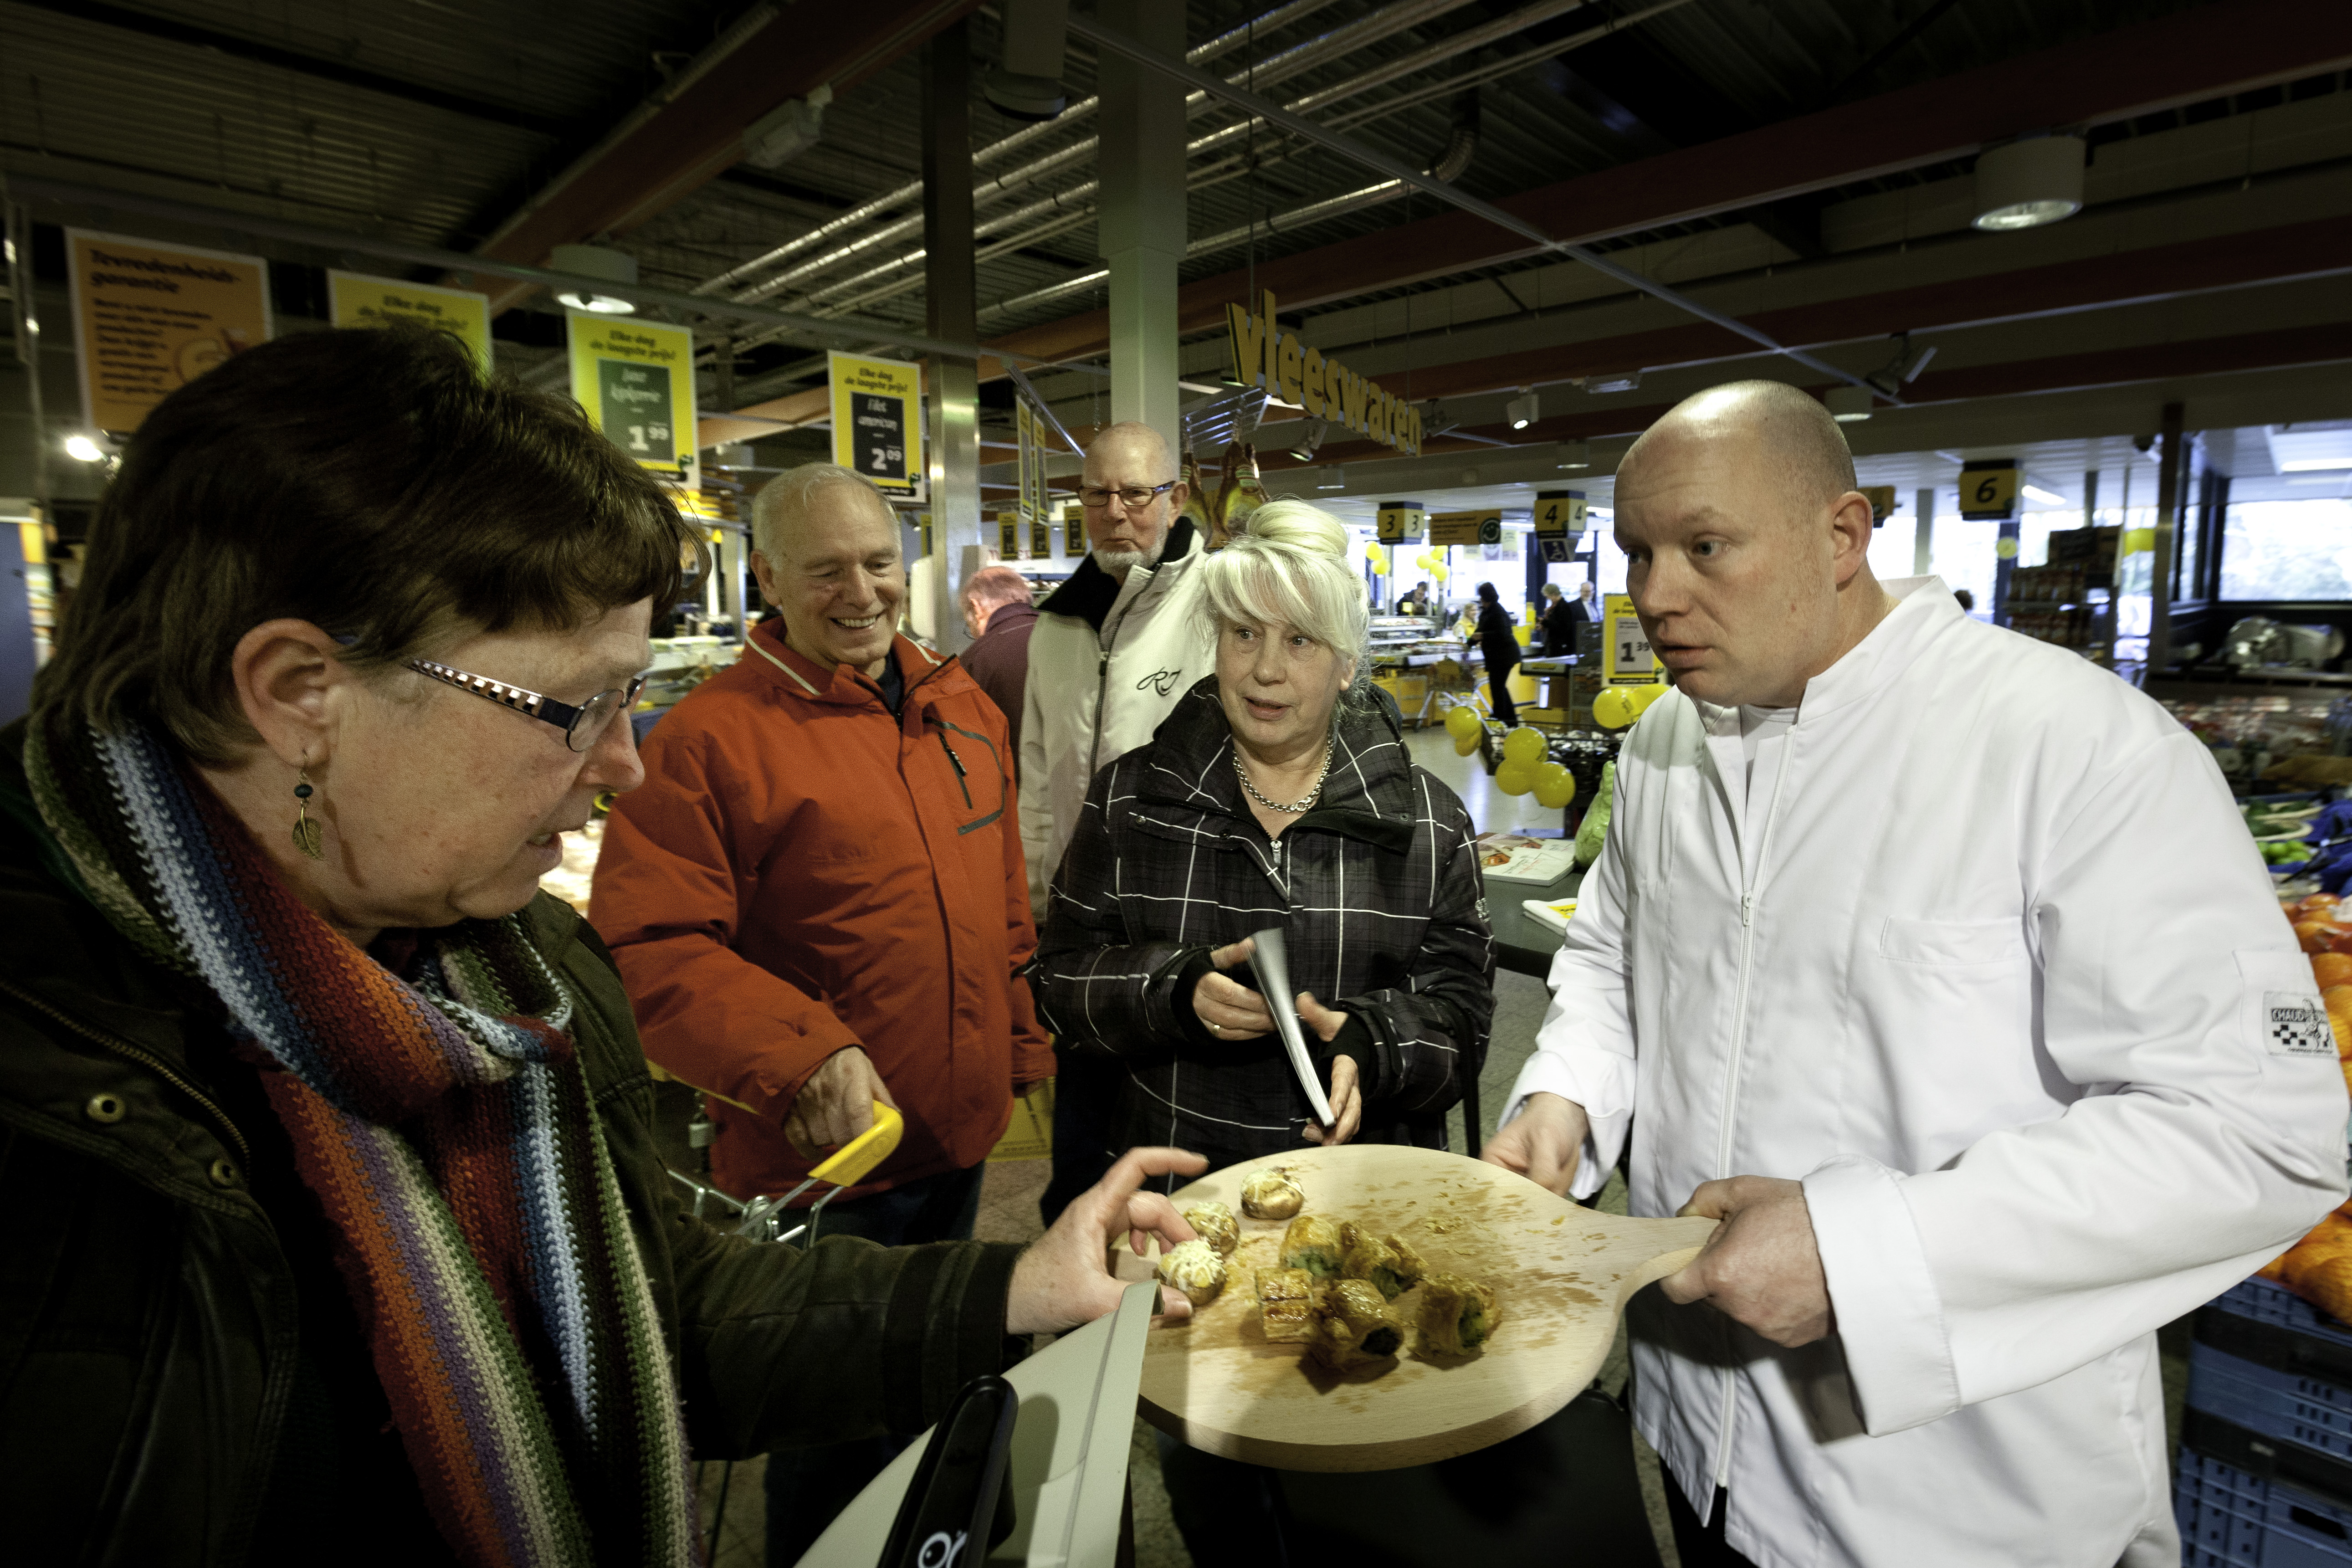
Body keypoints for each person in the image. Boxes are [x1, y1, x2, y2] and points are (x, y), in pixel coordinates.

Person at [0, 325, 1205, 1565]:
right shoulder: (59, 1116)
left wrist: (1017, 1282)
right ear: (302, 691)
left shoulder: (499, 962)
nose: (622, 762)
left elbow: (657, 1305)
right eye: (581, 704)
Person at [1482, 379, 2346, 1568]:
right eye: (1636, 550)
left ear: (1842, 536)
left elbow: (2261, 1133)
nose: (1652, 595)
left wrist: (1859, 1251)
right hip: (1700, 1435)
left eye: (1703, 546)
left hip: (1951, 1498)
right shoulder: (1669, 745)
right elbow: (1615, 954)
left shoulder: (2072, 747)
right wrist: (1567, 1091)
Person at [587, 461, 1058, 1562]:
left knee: (938, 1364)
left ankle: (933, 1532)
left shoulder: (958, 702)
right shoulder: (703, 739)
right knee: (832, 1418)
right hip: (827, 1161)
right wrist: (802, 1055)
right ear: (765, 578)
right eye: (825, 568)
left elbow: (1001, 905)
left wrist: (1023, 1048)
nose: (861, 591)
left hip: (957, 1127)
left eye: (879, 562)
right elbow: (647, 947)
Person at [1031, 499, 1496, 1561]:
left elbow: (1463, 1015)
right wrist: (1171, 991)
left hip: (1361, 1224)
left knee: (1360, 1491)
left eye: (1299, 641)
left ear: (1345, 663)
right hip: (1191, 1233)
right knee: (1215, 1487)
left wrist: (1376, 1046)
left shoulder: (1423, 821)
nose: (1264, 668)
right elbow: (1058, 982)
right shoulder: (1135, 803)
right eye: (1243, 633)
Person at [1020, 420, 1216, 1225]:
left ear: (1173, 498)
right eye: (1097, 493)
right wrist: (1037, 905)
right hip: (1081, 935)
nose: (1116, 511)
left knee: (1183, 1165)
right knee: (1079, 1167)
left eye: (1136, 492)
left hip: (1187, 927)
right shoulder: (1055, 626)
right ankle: (1077, 1325)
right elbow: (1039, 775)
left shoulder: (1217, 601)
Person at [958, 564, 1038, 770]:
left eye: (970, 628)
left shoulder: (974, 661)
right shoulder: (1070, 638)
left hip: (1014, 789)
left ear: (977, 607)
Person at [1474, 581, 1522, 726]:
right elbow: (1479, 630)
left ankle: (1500, 721)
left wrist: (1483, 636)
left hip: (1504, 656)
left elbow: (1504, 633)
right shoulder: (1487, 611)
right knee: (1499, 688)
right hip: (1498, 657)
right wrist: (1469, 642)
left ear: (1485, 597)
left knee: (1497, 689)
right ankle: (1510, 721)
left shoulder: (1498, 612)